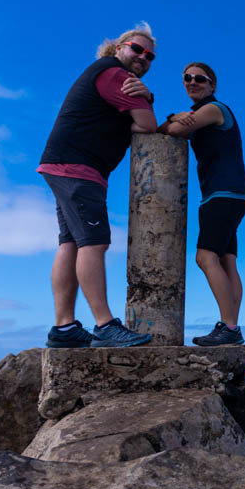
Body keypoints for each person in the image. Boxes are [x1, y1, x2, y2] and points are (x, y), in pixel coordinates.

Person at [38, 23, 157, 348]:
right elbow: (147, 125)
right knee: (94, 243)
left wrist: (144, 98)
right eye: (137, 49)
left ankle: (64, 328)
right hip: (78, 168)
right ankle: (104, 325)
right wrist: (146, 98)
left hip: (63, 165)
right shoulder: (115, 74)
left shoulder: (109, 75)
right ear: (118, 48)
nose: (143, 58)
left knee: (71, 244)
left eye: (150, 56)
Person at [159, 62, 245, 346]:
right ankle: (232, 326)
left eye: (200, 78)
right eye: (187, 78)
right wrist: (175, 116)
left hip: (221, 194)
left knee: (204, 257)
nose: (192, 82)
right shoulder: (200, 112)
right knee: (227, 261)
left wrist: (176, 119)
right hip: (233, 194)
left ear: (212, 85)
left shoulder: (214, 109)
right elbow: (170, 125)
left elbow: (171, 131)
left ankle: (229, 327)